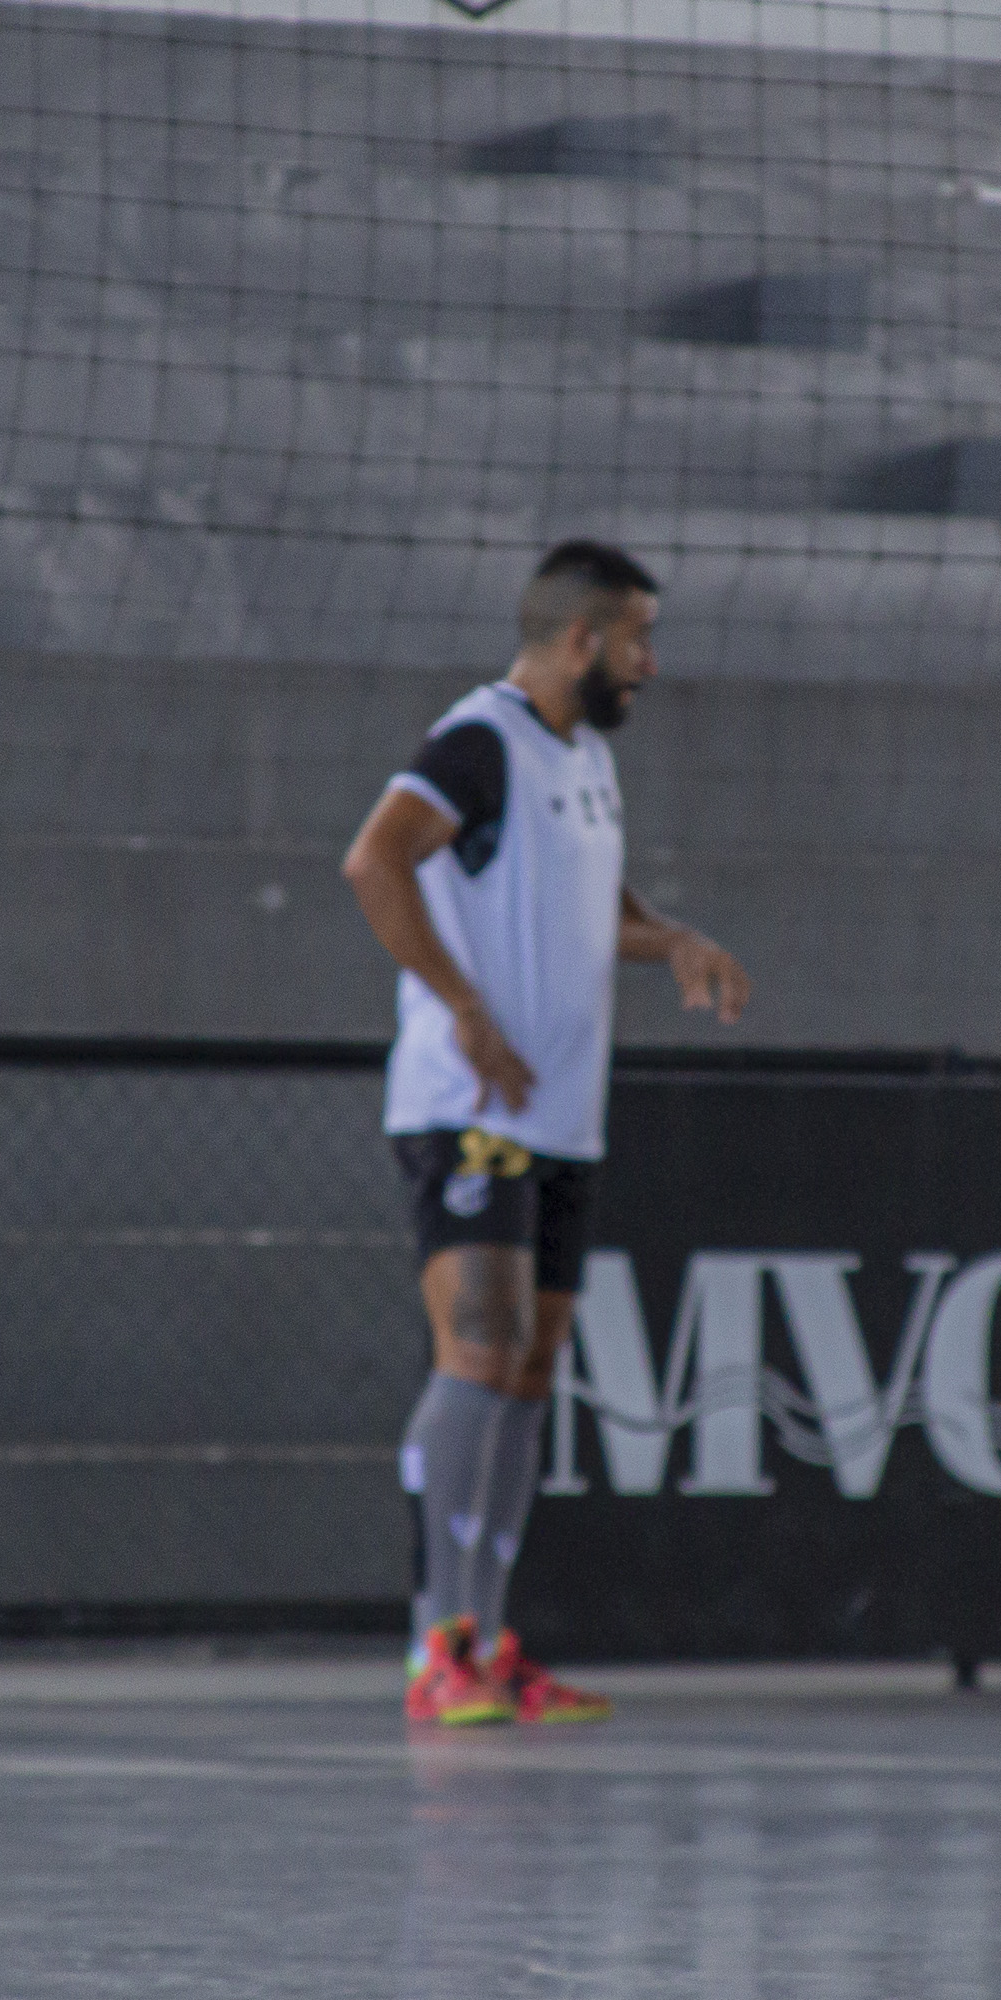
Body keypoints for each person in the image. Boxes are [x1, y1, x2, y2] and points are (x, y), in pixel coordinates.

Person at [340, 539, 750, 1731]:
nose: (650, 664)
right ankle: (435, 1647)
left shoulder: (584, 761)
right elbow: (375, 861)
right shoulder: (481, 737)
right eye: (638, 639)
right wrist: (464, 1007)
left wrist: (670, 939)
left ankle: (491, 1641)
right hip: (472, 1109)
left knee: (530, 1368)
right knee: (479, 1349)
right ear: (583, 638)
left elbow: (585, 899)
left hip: (563, 1113)